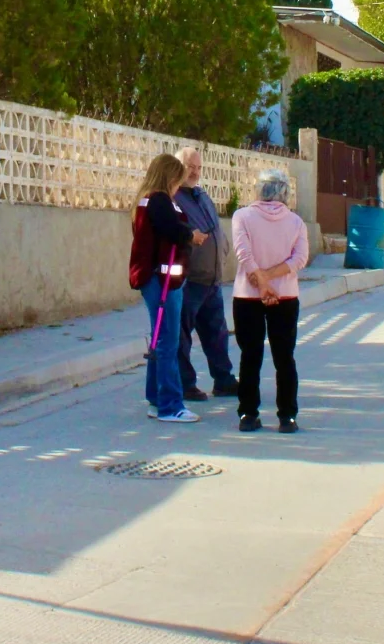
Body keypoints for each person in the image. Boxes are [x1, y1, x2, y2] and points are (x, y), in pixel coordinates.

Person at [129, 152, 205, 423]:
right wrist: (191, 235)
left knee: (160, 338)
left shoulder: (148, 200)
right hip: (162, 281)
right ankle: (171, 405)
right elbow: (172, 229)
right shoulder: (159, 200)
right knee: (168, 340)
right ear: (169, 176)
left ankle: (156, 398)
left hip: (156, 279)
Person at [231, 168, 308, 433]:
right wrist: (272, 280)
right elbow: (299, 259)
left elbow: (243, 253)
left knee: (250, 355)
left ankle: (248, 414)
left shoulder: (242, 216)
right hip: (285, 295)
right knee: (284, 357)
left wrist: (261, 280)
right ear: (285, 192)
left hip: (247, 295)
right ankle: (287, 416)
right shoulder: (296, 223)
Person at [174, 147, 238, 402]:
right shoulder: (174, 198)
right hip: (189, 279)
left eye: (198, 167)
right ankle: (185, 384)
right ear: (178, 166)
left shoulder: (201, 195)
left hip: (212, 279)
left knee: (217, 333)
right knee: (182, 335)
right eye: (190, 166)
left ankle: (223, 379)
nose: (195, 172)